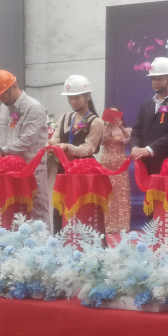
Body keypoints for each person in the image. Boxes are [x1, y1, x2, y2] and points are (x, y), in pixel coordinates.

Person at [0, 70, 53, 230]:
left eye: (1, 94)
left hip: (31, 169)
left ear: (13, 86)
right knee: (12, 212)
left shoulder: (33, 108)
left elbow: (27, 141)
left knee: (37, 213)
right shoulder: (3, 108)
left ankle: (43, 245)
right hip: (9, 172)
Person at [47, 75, 104, 232]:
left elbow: (88, 148)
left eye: (77, 97)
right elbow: (55, 138)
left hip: (85, 171)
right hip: (64, 168)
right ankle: (58, 240)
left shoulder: (96, 121)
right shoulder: (65, 117)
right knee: (60, 207)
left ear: (88, 96)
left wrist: (68, 147)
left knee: (83, 209)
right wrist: (49, 144)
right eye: (70, 98)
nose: (73, 101)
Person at [101, 106, 132, 235]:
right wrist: (106, 131)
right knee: (107, 192)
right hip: (106, 164)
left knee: (121, 193)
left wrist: (121, 128)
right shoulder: (104, 129)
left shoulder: (126, 129)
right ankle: (107, 224)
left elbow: (128, 140)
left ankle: (122, 225)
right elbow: (101, 143)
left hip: (120, 165)